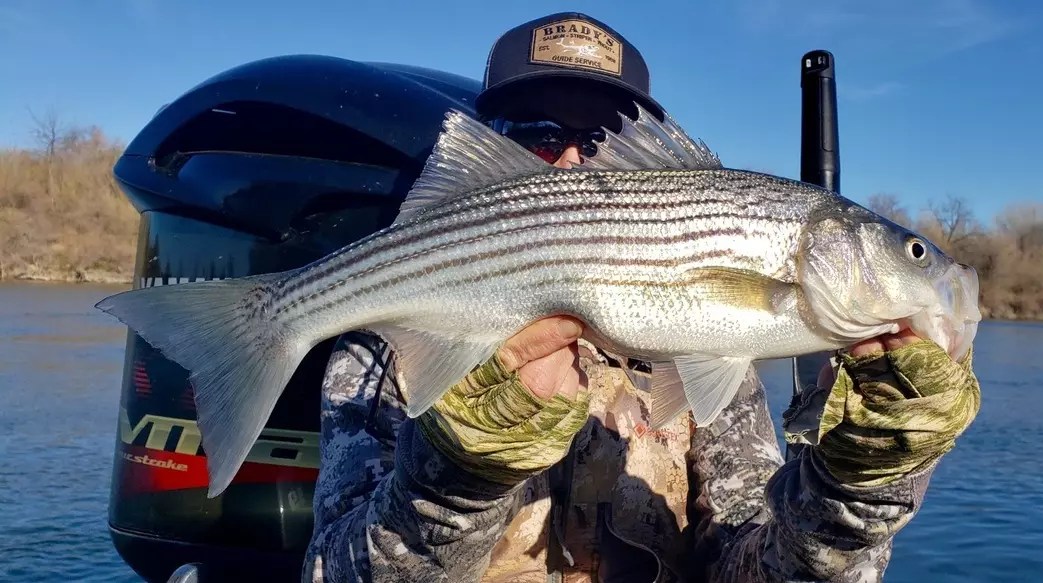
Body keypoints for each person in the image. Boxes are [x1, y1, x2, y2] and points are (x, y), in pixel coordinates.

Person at [302, 12, 982, 583]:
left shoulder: (707, 358)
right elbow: (333, 568)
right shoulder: (386, 348)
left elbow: (753, 560)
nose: (571, 159)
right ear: (485, 151)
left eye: (600, 138)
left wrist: (853, 489)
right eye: (537, 136)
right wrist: (456, 470)